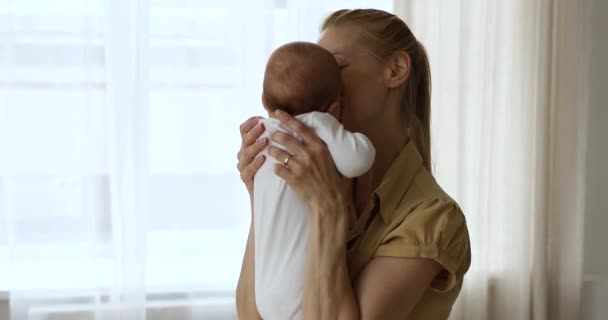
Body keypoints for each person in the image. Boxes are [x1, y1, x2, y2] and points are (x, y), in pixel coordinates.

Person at [236, 8, 471, 320]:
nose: (316, 82)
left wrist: (328, 208)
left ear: (395, 70)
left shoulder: (432, 219)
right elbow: (252, 315)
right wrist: (264, 192)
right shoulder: (321, 181)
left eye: (335, 66)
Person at [254, 41, 375, 320]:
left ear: (264, 101)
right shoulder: (319, 123)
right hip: (301, 288)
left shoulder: (260, 133)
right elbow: (358, 160)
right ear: (334, 108)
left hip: (265, 289)